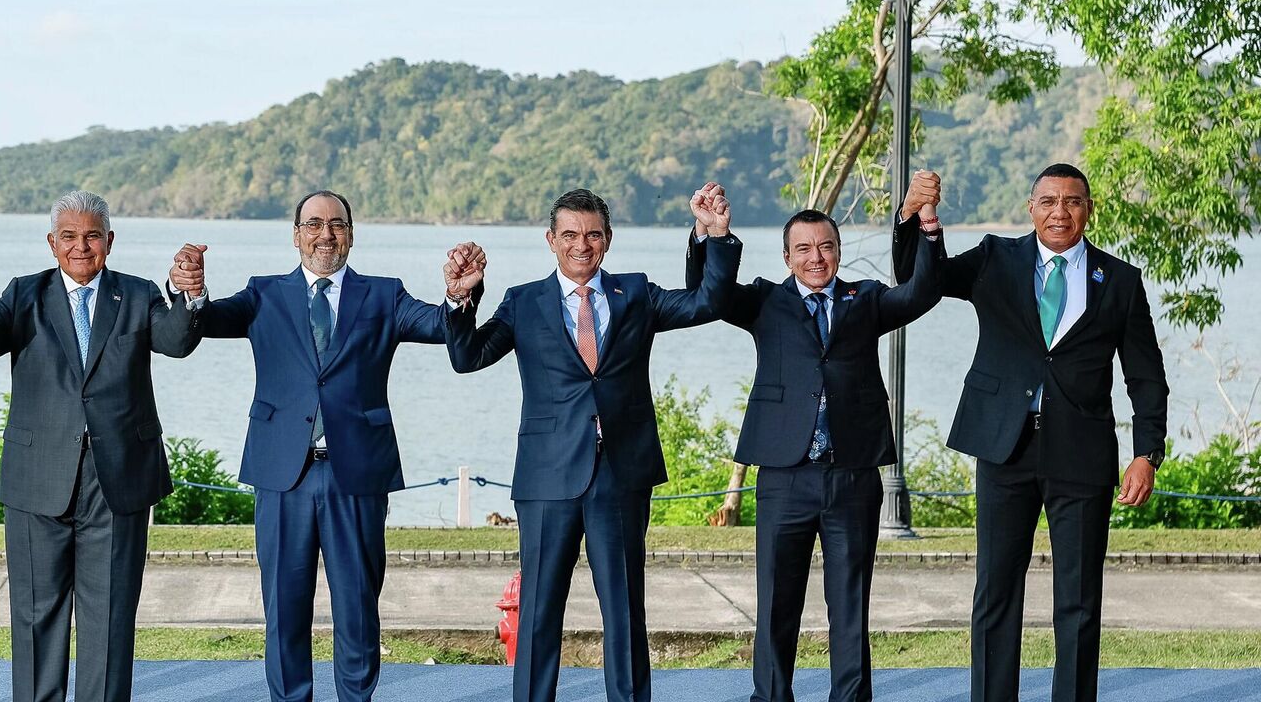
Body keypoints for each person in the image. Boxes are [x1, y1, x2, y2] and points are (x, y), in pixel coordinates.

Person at [168, 190, 476, 701]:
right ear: (296, 235)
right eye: (313, 224)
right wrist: (192, 291)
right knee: (284, 610)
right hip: (282, 476)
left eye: (337, 224)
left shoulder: (385, 295)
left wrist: (458, 297)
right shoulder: (262, 293)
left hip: (356, 475)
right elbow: (206, 321)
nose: (325, 234)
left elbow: (440, 326)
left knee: (357, 609)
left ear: (351, 234)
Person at [446, 185, 741, 702]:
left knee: (624, 611)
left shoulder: (637, 293)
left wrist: (711, 235)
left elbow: (708, 302)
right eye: (569, 235)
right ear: (551, 240)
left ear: (608, 238)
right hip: (546, 478)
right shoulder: (523, 301)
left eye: (593, 234)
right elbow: (467, 357)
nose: (581, 245)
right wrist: (461, 299)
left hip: (621, 475)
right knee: (538, 611)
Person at [891, 164, 1168, 702]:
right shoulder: (995, 257)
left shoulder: (1121, 280)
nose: (1059, 212)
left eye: (1072, 202)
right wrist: (914, 219)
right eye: (1048, 202)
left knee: (1080, 600)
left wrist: (1146, 453)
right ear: (1030, 207)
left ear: (1088, 210)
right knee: (995, 591)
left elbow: (1146, 375)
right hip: (1004, 447)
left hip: (1082, 454)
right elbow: (921, 282)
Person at [687, 183, 942, 702]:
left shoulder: (866, 298)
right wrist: (712, 235)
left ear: (838, 251)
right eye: (803, 249)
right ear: (787, 257)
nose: (816, 257)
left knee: (849, 605)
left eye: (826, 246)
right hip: (784, 475)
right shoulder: (764, 300)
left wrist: (927, 227)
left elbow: (921, 292)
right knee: (777, 604)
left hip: (853, 475)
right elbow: (708, 295)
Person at [0, 190, 201, 702]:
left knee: (109, 616)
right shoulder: (24, 294)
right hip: (37, 478)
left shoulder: (138, 293)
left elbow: (176, 341)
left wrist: (186, 291)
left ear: (110, 240)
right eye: (68, 236)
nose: (80, 246)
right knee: (36, 615)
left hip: (117, 479)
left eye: (91, 236)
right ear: (51, 242)